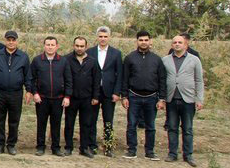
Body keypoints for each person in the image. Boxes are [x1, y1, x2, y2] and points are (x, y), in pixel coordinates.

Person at [120, 30, 167, 160]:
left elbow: (162, 80)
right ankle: (131, 150)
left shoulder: (157, 59)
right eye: (141, 40)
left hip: (152, 97)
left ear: (150, 41)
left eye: (146, 40)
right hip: (133, 96)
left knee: (150, 126)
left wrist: (162, 98)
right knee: (131, 125)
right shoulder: (130, 58)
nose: (143, 42)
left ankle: (149, 152)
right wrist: (124, 96)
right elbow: (125, 78)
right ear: (137, 41)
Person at [162, 35, 204, 166]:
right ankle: (172, 154)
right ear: (172, 45)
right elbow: (161, 80)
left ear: (185, 45)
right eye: (175, 42)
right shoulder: (165, 60)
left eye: (180, 42)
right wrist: (162, 99)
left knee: (187, 128)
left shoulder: (194, 60)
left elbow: (199, 80)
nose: (177, 44)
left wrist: (199, 99)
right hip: (171, 99)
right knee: (172, 127)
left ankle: (188, 155)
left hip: (188, 99)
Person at [0, 30, 30, 155]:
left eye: (13, 40)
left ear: (17, 41)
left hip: (16, 93)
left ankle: (11, 144)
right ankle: (0, 144)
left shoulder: (23, 57)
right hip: (0, 92)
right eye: (8, 40)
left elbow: (28, 76)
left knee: (14, 120)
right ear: (5, 41)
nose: (11, 42)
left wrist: (28, 90)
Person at [28, 36, 72, 156]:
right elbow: (32, 79)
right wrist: (35, 93)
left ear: (57, 46)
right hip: (42, 98)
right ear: (44, 46)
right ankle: (40, 147)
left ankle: (56, 147)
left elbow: (68, 80)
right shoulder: (37, 60)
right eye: (48, 45)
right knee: (41, 123)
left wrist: (67, 96)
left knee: (56, 124)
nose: (50, 47)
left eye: (52, 45)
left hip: (58, 99)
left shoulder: (63, 61)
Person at [86, 26, 122, 156]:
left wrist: (117, 92)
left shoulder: (116, 53)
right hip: (94, 92)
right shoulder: (90, 52)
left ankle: (108, 146)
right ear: (97, 37)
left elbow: (119, 74)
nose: (103, 39)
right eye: (100, 36)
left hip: (109, 92)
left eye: (105, 37)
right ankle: (92, 146)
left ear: (109, 37)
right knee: (91, 119)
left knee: (108, 120)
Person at [65, 37, 101, 158]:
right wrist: (66, 96)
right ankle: (68, 147)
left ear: (86, 47)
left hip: (87, 98)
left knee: (86, 124)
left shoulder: (92, 61)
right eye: (77, 46)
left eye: (82, 46)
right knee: (69, 123)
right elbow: (64, 78)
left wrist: (95, 96)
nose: (79, 48)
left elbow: (97, 80)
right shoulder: (67, 59)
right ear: (73, 46)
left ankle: (84, 148)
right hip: (72, 97)